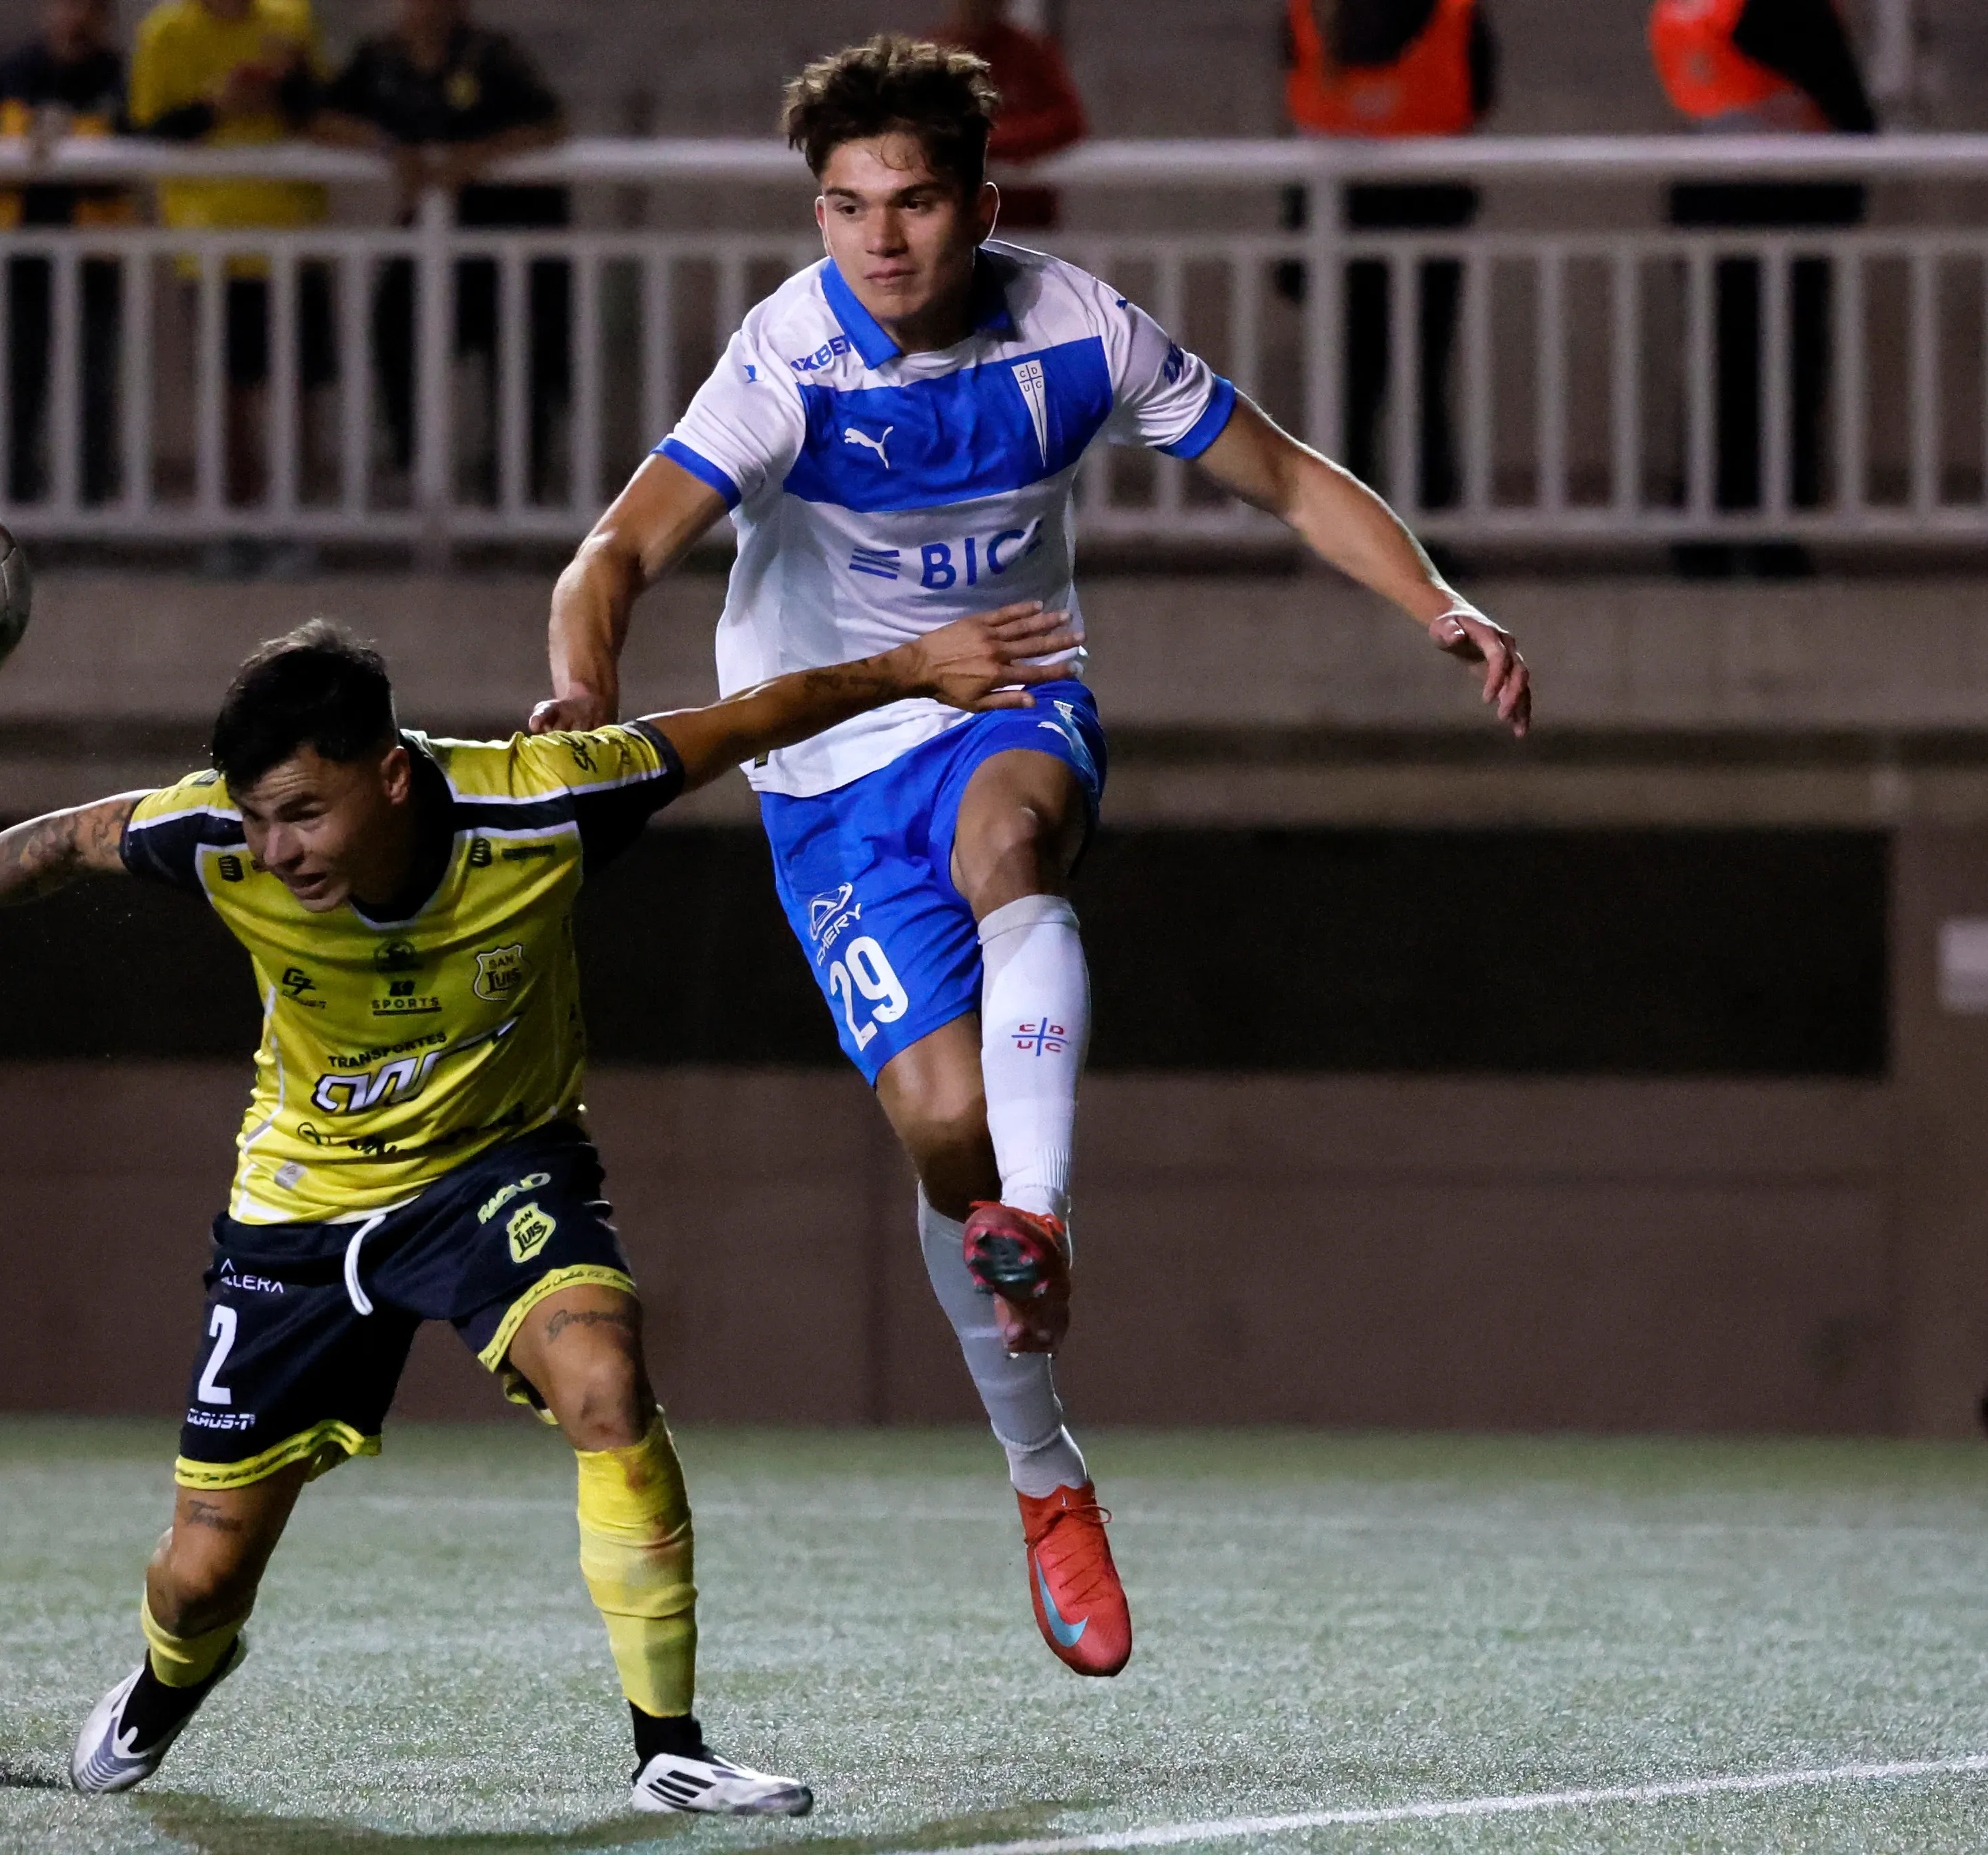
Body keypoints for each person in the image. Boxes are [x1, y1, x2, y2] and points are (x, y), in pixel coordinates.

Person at [534, 36, 1530, 1681]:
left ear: (981, 203)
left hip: (1010, 702)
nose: (879, 240)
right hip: (831, 761)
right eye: (846, 207)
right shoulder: (790, 362)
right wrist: (583, 684)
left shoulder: (1075, 331)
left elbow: (1279, 474)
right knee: (940, 1127)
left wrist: (1442, 602)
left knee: (1017, 849)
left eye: (913, 202)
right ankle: (1045, 1472)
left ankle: (1042, 1217)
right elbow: (617, 548)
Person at [0, 606, 1074, 1812]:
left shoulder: (548, 803)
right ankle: (174, 1676)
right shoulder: (216, 838)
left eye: (303, 812)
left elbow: (743, 719)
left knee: (605, 1387)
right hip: (298, 1210)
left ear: (392, 773)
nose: (276, 850)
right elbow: (66, 838)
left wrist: (913, 668)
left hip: (498, 1168)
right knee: (198, 1578)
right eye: (257, 820)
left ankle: (668, 1753)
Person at [1651, 0, 1879, 577]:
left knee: (1718, 372)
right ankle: (1772, 534)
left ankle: (1703, 532)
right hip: (1787, 207)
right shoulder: (1785, 12)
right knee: (1785, 376)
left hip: (1708, 202)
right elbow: (1853, 114)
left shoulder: (1692, 9)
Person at [311, 0, 570, 494]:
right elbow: (322, 119)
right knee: (394, 325)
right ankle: (417, 469)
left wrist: (469, 161)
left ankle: (514, 487)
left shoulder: (490, 56)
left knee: (521, 361)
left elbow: (548, 125)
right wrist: (390, 149)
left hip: (510, 235)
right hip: (433, 234)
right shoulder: (381, 59)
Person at [1279, 0, 1497, 512]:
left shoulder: (1310, 15)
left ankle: (1350, 534)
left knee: (1351, 382)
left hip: (1338, 213)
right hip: (1429, 211)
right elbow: (1479, 96)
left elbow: (1300, 105)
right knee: (1421, 380)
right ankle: (1433, 527)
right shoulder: (1454, 14)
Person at [132, 0, 333, 540]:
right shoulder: (166, 33)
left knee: (296, 386)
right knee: (227, 389)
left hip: (293, 228)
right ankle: (235, 523)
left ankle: (294, 522)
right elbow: (148, 130)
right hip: (211, 238)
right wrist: (215, 106)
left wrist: (287, 83)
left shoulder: (289, 20)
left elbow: (324, 114)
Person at [0, 0, 135, 507]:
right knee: (18, 379)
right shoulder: (10, 74)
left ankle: (91, 500)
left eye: (87, 9)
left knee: (92, 383)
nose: (73, 18)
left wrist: (67, 153)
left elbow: (138, 153)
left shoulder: (119, 78)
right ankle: (13, 499)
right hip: (18, 251)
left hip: (93, 252)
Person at [930, 0, 1087, 234]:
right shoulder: (935, 56)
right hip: (954, 224)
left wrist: (990, 140)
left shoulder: (1028, 52)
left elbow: (1069, 121)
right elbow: (916, 125)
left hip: (1026, 223)